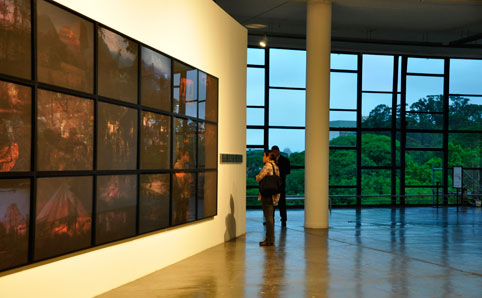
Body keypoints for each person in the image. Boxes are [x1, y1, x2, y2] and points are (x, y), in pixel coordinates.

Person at [256, 150, 280, 247]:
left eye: (264, 155)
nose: (263, 157)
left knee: (268, 218)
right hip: (273, 194)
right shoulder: (276, 166)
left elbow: (259, 177)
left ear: (268, 156)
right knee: (271, 217)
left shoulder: (268, 166)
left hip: (267, 194)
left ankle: (269, 240)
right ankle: (270, 239)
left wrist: (257, 176)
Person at [271, 145, 291, 227]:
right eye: (273, 152)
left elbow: (287, 171)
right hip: (272, 184)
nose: (274, 154)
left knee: (282, 202)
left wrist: (278, 169)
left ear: (278, 151)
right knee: (271, 202)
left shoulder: (285, 160)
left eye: (275, 152)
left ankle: (283, 219)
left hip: (281, 183)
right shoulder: (270, 161)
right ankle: (270, 219)